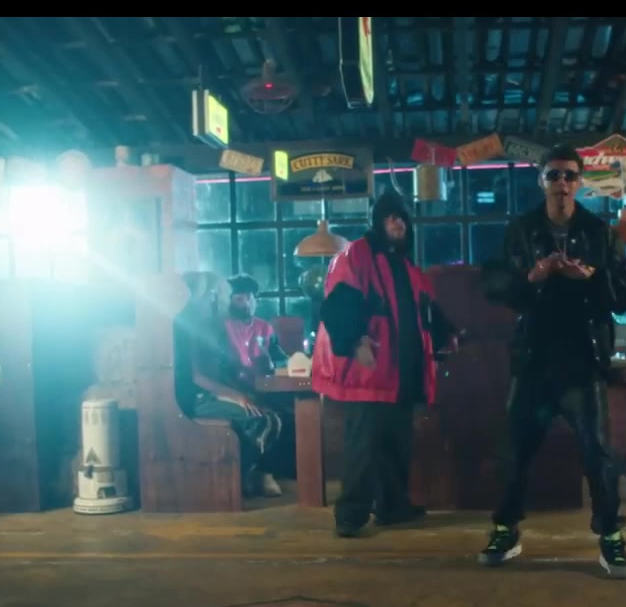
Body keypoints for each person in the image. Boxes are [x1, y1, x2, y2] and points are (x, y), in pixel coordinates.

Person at [478, 144, 626, 579]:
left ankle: (611, 537)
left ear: (580, 182)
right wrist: (531, 277)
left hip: (582, 359)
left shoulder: (599, 232)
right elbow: (493, 285)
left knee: (598, 452)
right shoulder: (521, 230)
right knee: (514, 450)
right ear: (542, 182)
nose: (562, 184)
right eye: (554, 175)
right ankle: (505, 529)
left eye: (570, 176)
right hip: (534, 358)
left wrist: (590, 278)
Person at [311, 190, 457, 538]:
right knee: (363, 446)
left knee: (396, 444)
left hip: (402, 374)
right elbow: (338, 302)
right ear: (378, 222)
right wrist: (355, 341)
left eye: (402, 217)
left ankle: (393, 507)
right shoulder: (356, 256)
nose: (397, 223)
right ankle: (350, 515)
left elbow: (427, 309)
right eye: (390, 217)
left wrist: (446, 335)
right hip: (370, 372)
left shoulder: (407, 267)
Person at [173, 271, 285, 499]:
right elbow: (197, 377)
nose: (217, 301)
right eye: (213, 295)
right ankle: (243, 474)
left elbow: (221, 369)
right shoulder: (187, 327)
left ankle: (251, 474)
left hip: (214, 393)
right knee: (261, 418)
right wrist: (236, 396)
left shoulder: (209, 326)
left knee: (272, 416)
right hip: (197, 398)